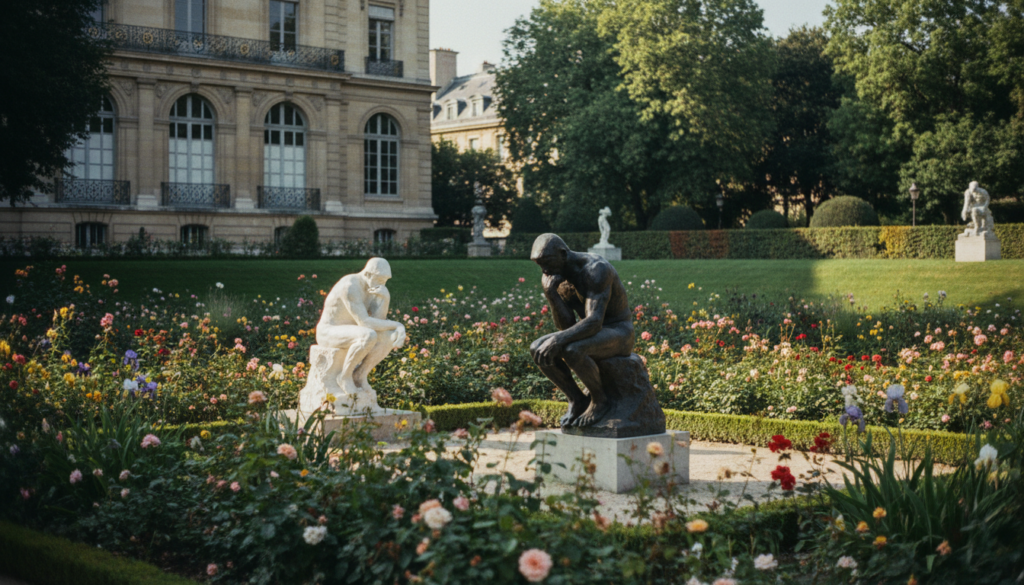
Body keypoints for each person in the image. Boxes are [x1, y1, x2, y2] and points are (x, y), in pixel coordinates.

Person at [529, 234, 634, 426]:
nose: (544, 270)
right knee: (537, 348)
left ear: (563, 254)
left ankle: (600, 400)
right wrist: (551, 294)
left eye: (547, 262)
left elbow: (594, 321)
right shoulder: (557, 275)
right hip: (593, 331)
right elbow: (566, 326)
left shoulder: (595, 269)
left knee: (572, 350)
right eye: (539, 264)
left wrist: (557, 340)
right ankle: (577, 399)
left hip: (618, 332)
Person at [315, 257, 406, 398]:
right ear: (368, 274)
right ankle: (344, 377)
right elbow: (365, 323)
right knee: (368, 335)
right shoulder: (350, 285)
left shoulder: (372, 287)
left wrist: (385, 299)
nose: (383, 284)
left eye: (386, 280)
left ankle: (360, 375)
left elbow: (378, 321)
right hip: (329, 330)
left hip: (354, 330)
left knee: (388, 337)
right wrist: (398, 325)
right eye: (381, 280)